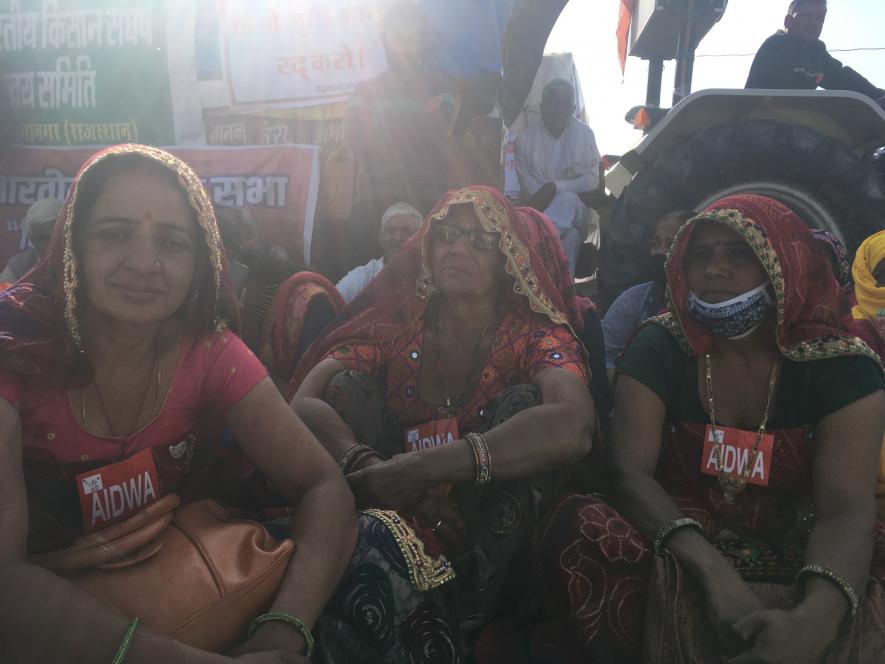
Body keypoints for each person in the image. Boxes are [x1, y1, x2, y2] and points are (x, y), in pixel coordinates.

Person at [0, 144, 357, 663]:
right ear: (70, 245)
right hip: (46, 621)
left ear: (201, 261)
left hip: (181, 579)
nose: (145, 263)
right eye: (114, 234)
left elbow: (324, 485)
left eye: (172, 241)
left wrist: (283, 633)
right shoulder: (16, 353)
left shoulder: (208, 353)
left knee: (381, 551)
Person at [539, 194, 885, 663]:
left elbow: (844, 509)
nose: (714, 269)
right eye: (699, 255)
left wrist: (816, 621)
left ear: (782, 260)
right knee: (578, 523)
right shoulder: (661, 344)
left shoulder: (841, 364)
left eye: (739, 252)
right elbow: (628, 473)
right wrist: (714, 573)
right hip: (682, 529)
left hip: (803, 534)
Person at [290, 185, 596, 661]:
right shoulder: (401, 323)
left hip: (485, 527)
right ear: (428, 248)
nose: (458, 248)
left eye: (481, 240)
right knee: (346, 387)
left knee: (527, 404)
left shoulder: (533, 332)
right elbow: (306, 400)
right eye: (448, 235)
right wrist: (375, 467)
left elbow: (574, 424)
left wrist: (422, 470)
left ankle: (472, 614)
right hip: (394, 502)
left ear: (509, 259)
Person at [343, 1, 455, 271]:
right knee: (369, 288)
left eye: (410, 39)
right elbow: (357, 138)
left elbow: (440, 133)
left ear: (421, 43)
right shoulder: (364, 89)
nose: (403, 46)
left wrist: (384, 128)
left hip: (426, 203)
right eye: (397, 38)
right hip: (372, 209)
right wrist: (417, 123)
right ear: (385, 40)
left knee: (427, 282)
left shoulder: (442, 87)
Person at [515, 79, 601, 277]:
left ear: (572, 108)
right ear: (543, 107)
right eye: (554, 103)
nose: (559, 110)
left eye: (564, 104)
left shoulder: (584, 135)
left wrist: (555, 187)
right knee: (569, 239)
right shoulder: (525, 140)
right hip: (542, 213)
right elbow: (531, 191)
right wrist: (559, 190)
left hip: (576, 214)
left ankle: (537, 237)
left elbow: (593, 180)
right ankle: (563, 294)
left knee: (568, 199)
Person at [602, 210, 692, 382]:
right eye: (656, 243)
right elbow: (605, 356)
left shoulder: (707, 304)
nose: (659, 252)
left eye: (670, 245)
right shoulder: (636, 300)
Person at [746, 0, 885, 106]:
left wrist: (878, 96)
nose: (814, 23)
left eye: (820, 19)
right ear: (788, 21)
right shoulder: (775, 46)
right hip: (760, 125)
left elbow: (844, 78)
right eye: (807, 16)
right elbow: (776, 99)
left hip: (792, 128)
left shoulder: (816, 53)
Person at [335, 201, 422, 303]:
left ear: (420, 238)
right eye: (390, 230)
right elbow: (331, 303)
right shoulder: (363, 278)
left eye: (407, 231)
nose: (397, 238)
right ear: (381, 237)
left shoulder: (433, 276)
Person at [0, 198, 63, 283]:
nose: (52, 243)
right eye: (45, 238)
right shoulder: (19, 266)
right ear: (33, 239)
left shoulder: (81, 261)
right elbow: (3, 293)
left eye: (56, 235)